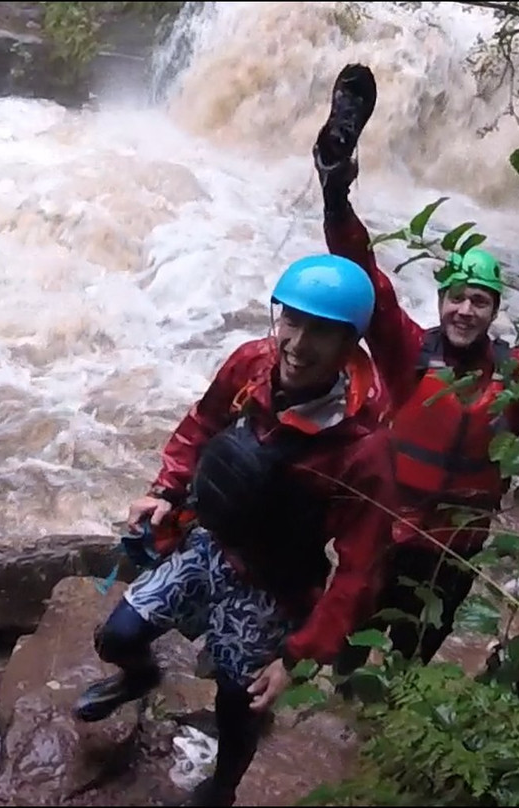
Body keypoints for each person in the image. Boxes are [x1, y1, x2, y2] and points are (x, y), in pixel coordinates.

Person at [313, 64, 519, 682]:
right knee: (343, 649)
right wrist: (336, 198)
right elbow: (364, 273)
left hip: (451, 552)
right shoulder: (405, 350)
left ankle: (381, 743)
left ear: (494, 311)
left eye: (479, 300)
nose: (465, 309)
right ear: (441, 300)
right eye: (457, 296)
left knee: (411, 660)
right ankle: (329, 713)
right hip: (384, 533)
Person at [72, 253, 397, 806]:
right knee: (119, 636)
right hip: (210, 542)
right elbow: (202, 424)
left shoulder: (363, 448)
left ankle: (223, 786)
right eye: (291, 320)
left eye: (320, 330)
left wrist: (297, 656)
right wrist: (165, 490)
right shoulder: (253, 364)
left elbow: (359, 571)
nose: (296, 342)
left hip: (276, 582)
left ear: (350, 343)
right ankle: (140, 676)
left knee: (238, 699)